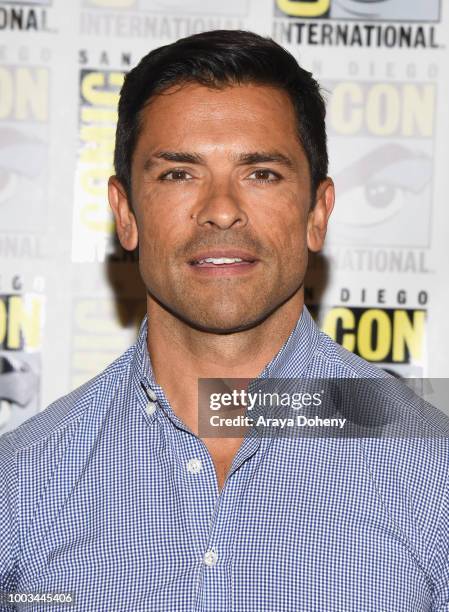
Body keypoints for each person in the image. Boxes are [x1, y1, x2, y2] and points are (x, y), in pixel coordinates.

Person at [0, 30, 448, 612]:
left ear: (318, 212)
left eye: (260, 173)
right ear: (125, 213)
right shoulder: (21, 484)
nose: (220, 210)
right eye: (178, 174)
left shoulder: (433, 474)